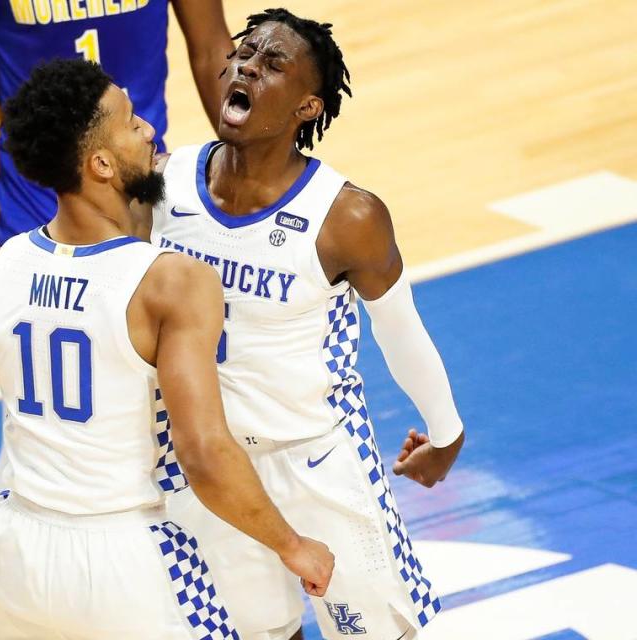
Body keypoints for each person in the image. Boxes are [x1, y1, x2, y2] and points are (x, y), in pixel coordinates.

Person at [0, 58, 335, 640]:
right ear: (101, 164)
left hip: (19, 549)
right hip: (126, 557)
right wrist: (292, 545)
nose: (149, 131)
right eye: (131, 123)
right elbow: (203, 452)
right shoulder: (170, 284)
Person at [149, 9, 466, 640]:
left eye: (272, 65)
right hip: (205, 461)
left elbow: (399, 331)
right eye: (243, 54)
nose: (245, 66)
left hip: (315, 456)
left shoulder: (347, 215)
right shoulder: (167, 181)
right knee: (260, 633)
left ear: (307, 106)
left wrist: (446, 433)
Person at [0, 0, 234, 329]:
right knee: (38, 382)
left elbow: (211, 50)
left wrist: (243, 166)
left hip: (142, 193)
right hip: (33, 205)